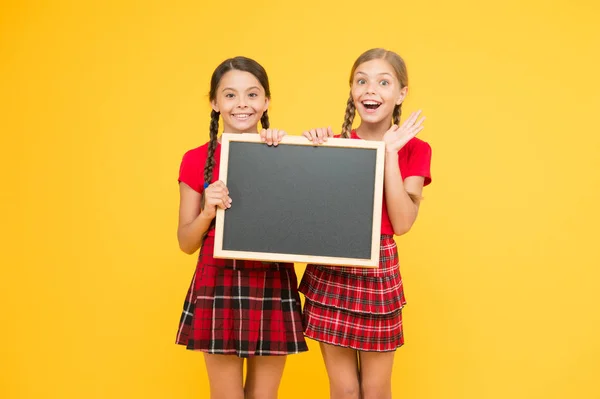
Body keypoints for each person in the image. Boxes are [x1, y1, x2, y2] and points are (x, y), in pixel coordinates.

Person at [300, 48, 432, 399]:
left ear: (401, 93)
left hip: (379, 267)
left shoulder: (416, 149)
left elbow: (403, 222)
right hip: (332, 268)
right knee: (343, 389)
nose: (370, 89)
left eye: (383, 82)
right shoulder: (334, 145)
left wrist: (389, 153)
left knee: (375, 390)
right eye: (362, 81)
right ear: (352, 91)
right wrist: (310, 153)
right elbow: (308, 214)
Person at [175, 56, 308, 399]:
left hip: (270, 277)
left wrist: (290, 150)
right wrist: (207, 211)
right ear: (215, 103)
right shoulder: (195, 158)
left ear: (266, 102)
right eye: (230, 95)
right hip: (217, 278)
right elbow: (186, 242)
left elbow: (309, 216)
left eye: (252, 94)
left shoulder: (285, 151)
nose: (242, 104)